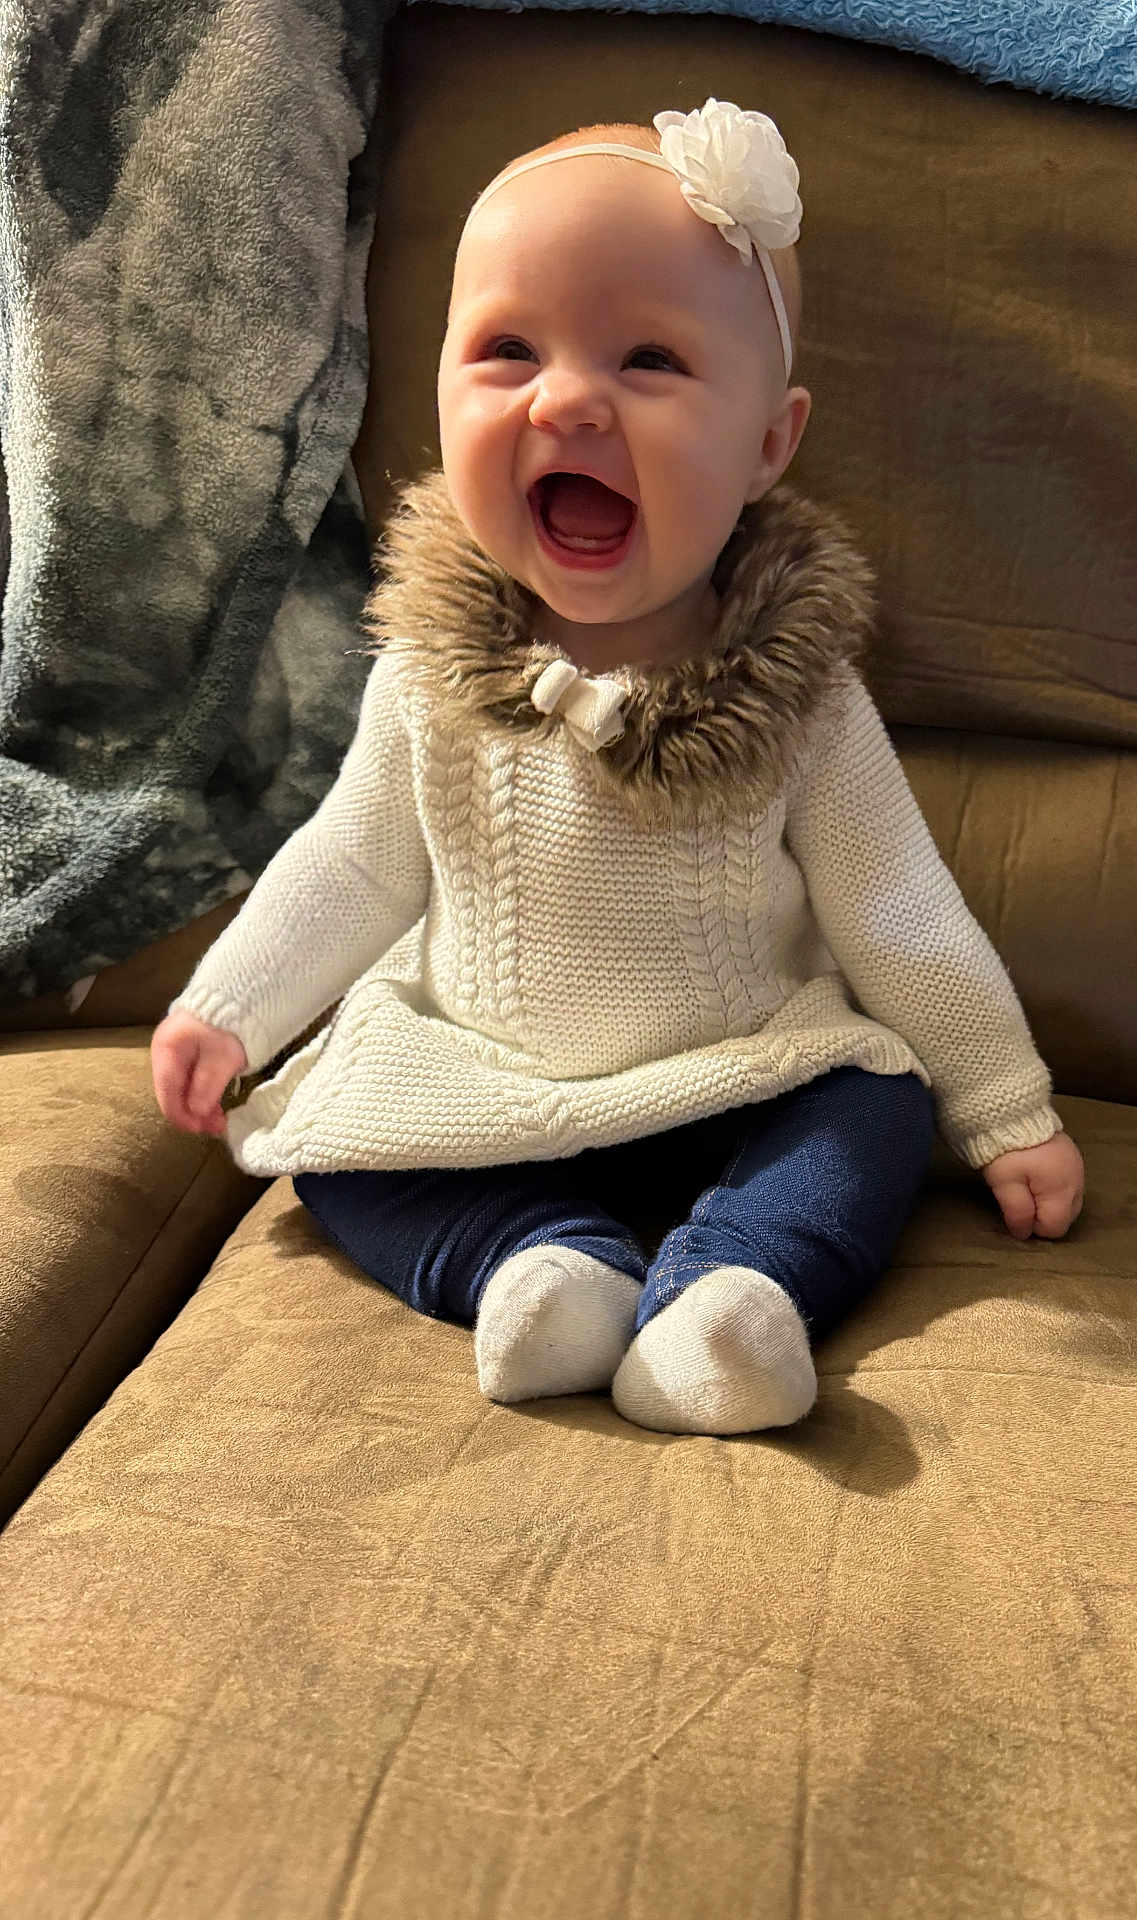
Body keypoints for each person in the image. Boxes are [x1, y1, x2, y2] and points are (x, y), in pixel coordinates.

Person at [151, 99, 1085, 1437]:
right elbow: (350, 866)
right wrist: (232, 1006)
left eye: (648, 360)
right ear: (438, 392)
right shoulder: (425, 679)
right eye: (507, 351)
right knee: (333, 1151)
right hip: (487, 1083)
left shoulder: (806, 702)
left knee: (878, 1109)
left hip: (739, 1079)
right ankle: (541, 1263)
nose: (570, 398)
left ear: (770, 441)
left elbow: (902, 915)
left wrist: (1006, 1108)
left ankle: (734, 1292)